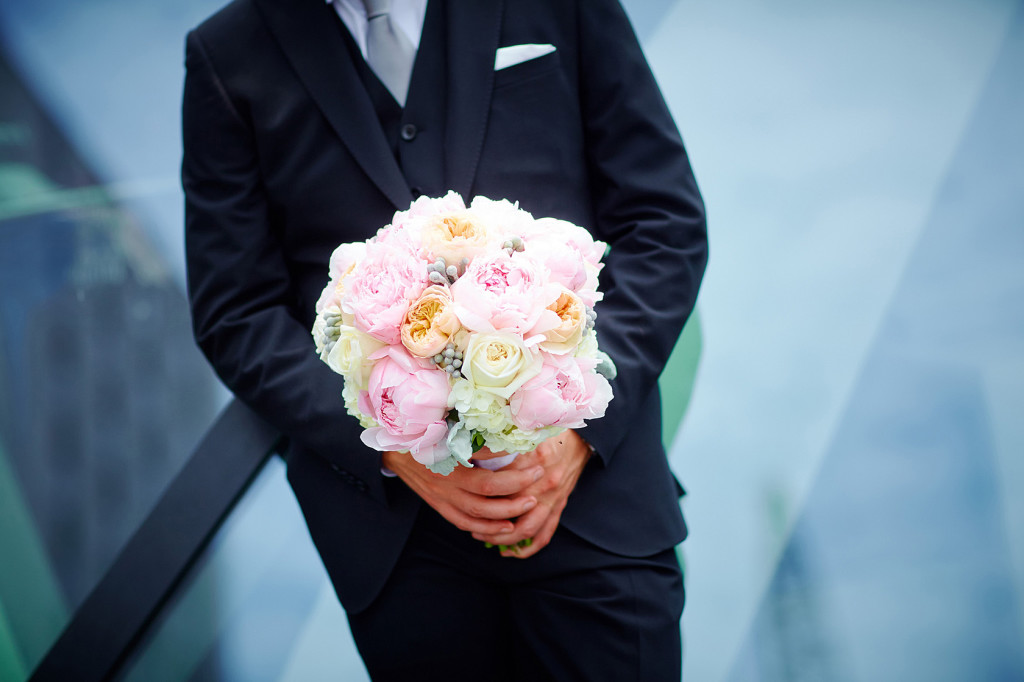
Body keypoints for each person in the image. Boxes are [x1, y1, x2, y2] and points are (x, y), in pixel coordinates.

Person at [182, 0, 707, 678]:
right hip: (400, 545)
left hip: (595, 507)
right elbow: (237, 314)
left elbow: (664, 221)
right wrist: (393, 448)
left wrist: (577, 420)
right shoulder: (228, 53)